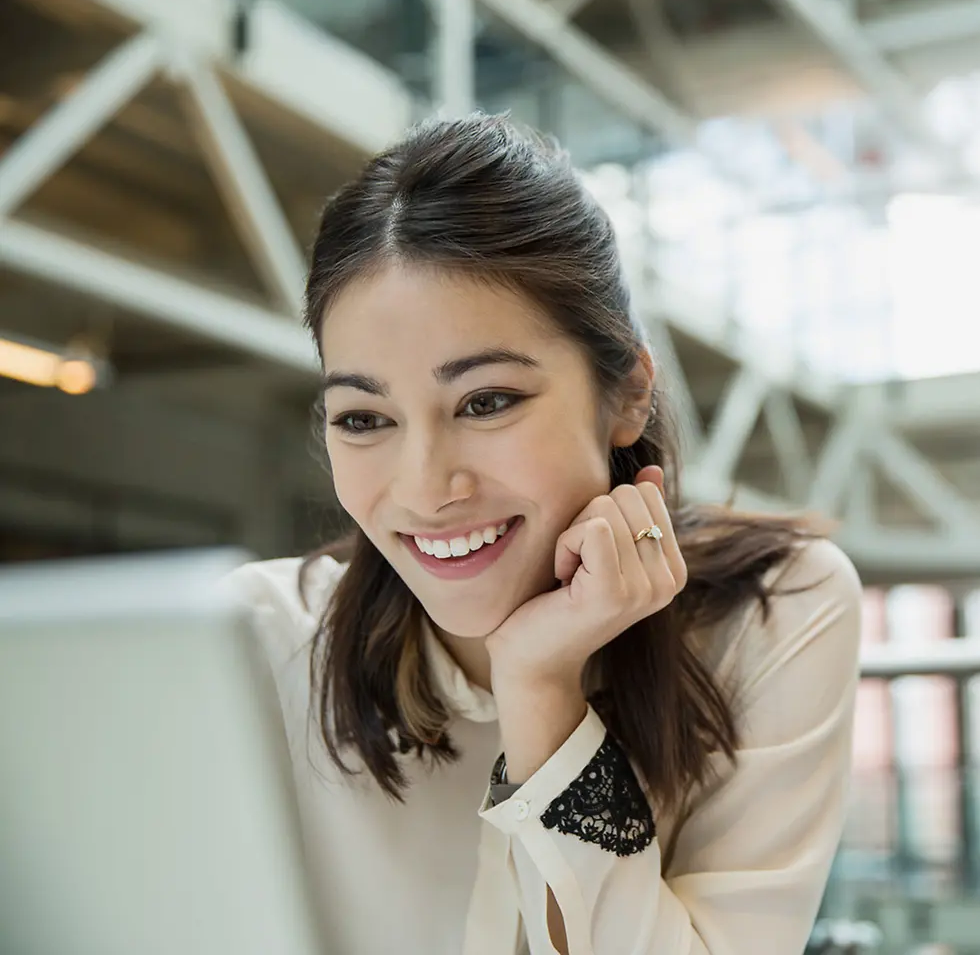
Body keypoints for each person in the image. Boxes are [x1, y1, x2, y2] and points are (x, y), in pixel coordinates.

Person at [225, 113, 863, 955]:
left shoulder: (776, 609)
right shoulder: (249, 640)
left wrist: (542, 692)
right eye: (364, 417)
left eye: (486, 401)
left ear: (629, 393)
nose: (425, 488)